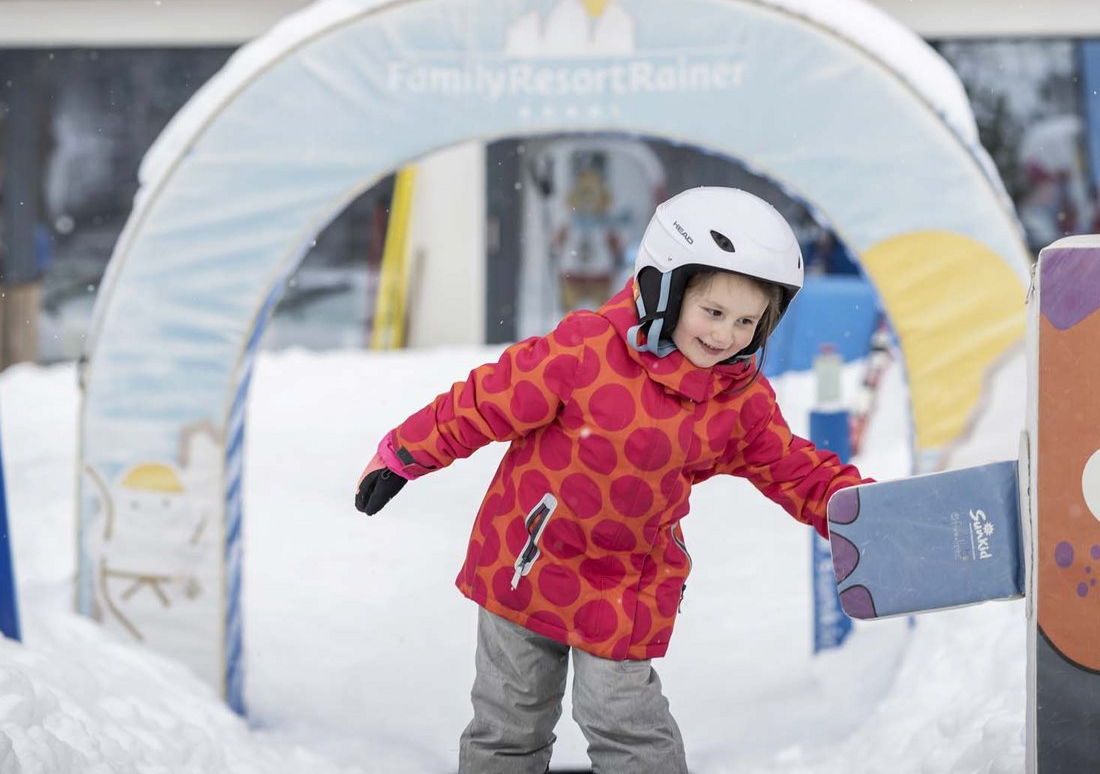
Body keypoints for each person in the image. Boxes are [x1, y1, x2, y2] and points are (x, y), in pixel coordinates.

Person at [355, 186, 869, 774]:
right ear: (664, 290)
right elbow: (486, 400)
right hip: (526, 559)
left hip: (625, 586)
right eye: (713, 312)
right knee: (509, 721)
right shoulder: (585, 352)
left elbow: (792, 467)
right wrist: (404, 453)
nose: (726, 335)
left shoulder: (738, 400)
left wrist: (854, 510)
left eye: (747, 321)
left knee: (625, 723)